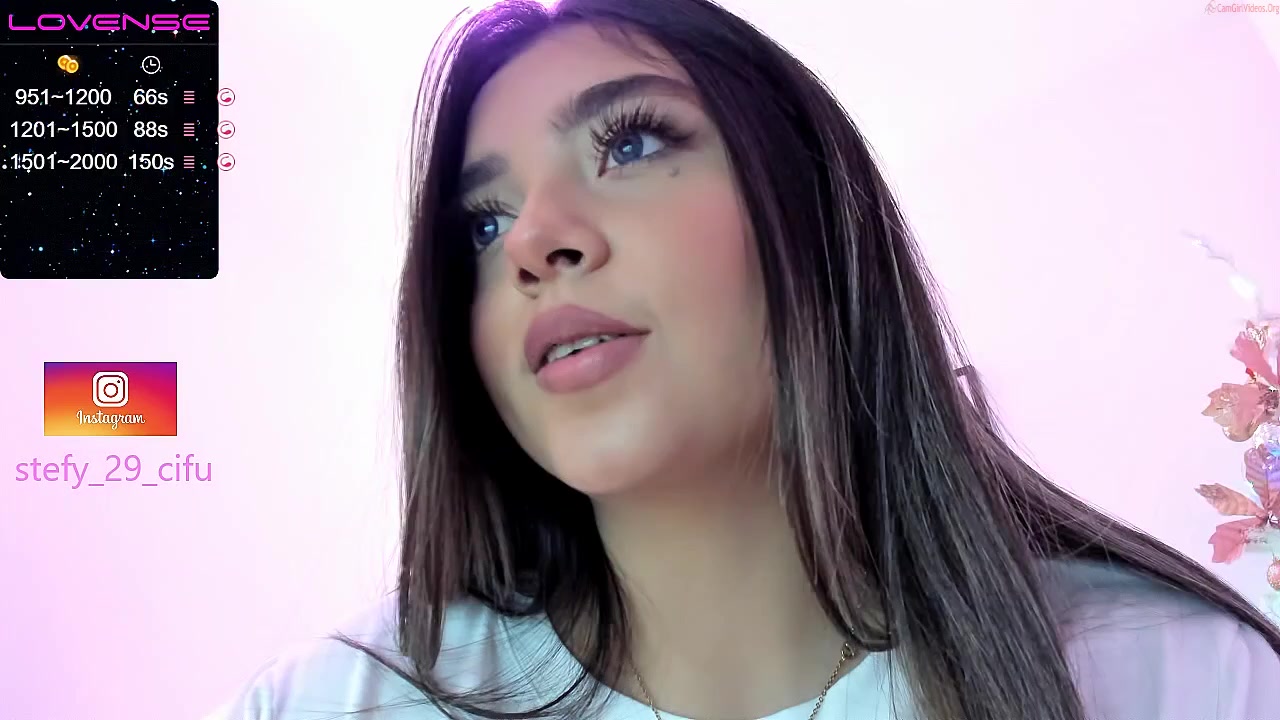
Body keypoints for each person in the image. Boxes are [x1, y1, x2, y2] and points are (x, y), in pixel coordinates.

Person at [207, 0, 1280, 718]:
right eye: (483, 224)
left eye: (628, 143)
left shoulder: (1172, 678)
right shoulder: (333, 705)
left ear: (810, 212)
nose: (531, 240)